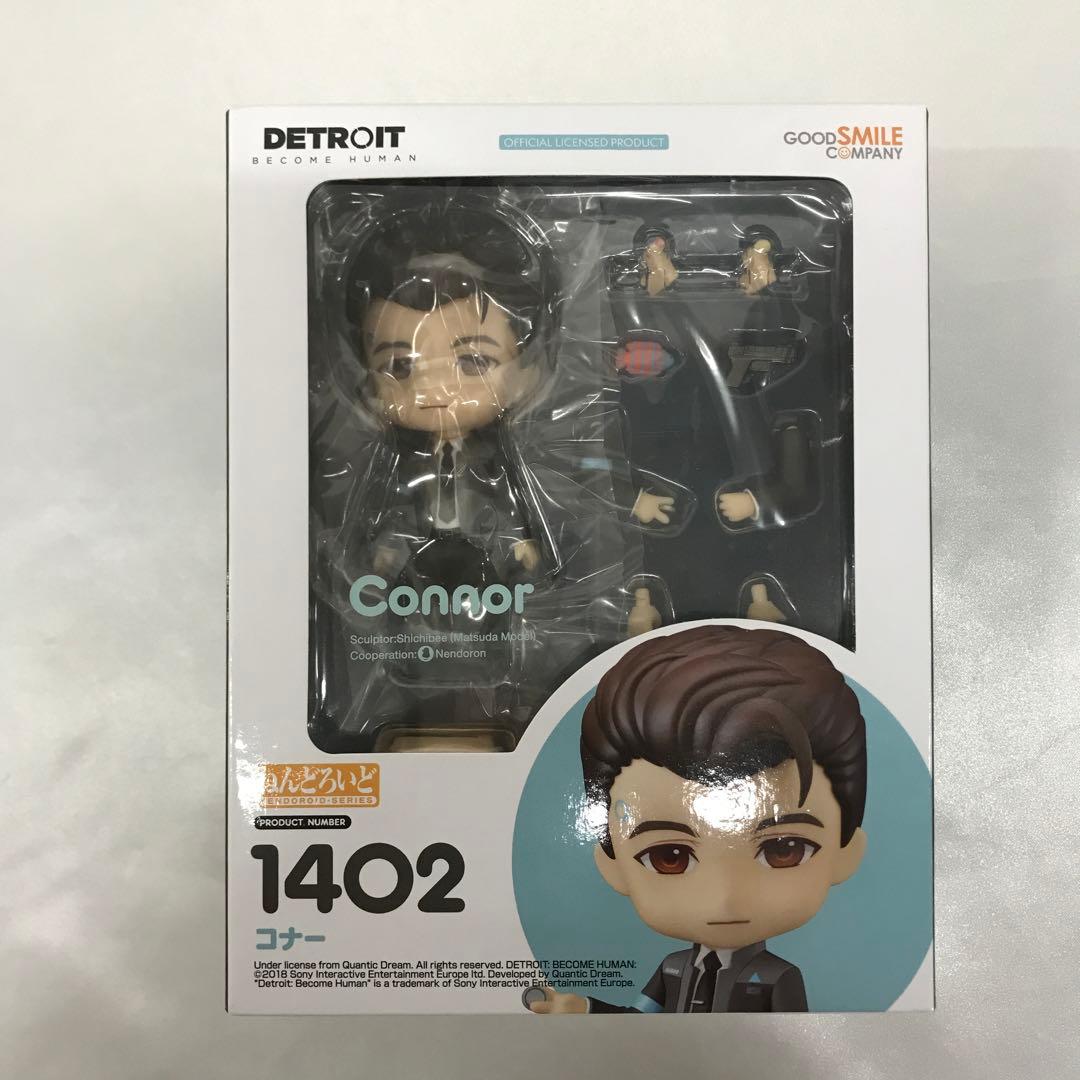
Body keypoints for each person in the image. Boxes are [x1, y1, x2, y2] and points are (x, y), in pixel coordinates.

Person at [529, 624, 867, 1014]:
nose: (724, 897)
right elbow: (639, 1022)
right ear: (612, 864)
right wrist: (585, 1009)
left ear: (846, 850)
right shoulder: (672, 968)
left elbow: (793, 1038)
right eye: (669, 857)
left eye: (783, 850)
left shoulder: (778, 978)